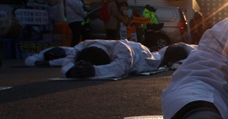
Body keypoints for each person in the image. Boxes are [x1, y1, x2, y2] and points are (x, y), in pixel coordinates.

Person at [60, 40, 195, 78]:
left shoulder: (123, 50)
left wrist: (93, 71)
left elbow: (120, 68)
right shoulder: (83, 46)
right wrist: (70, 71)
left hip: (145, 54)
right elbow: (69, 59)